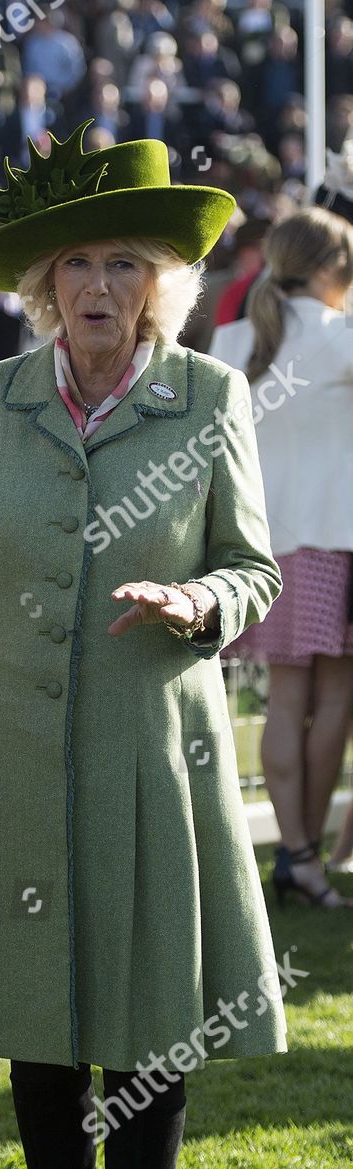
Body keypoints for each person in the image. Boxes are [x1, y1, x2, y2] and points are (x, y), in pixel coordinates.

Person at [0, 123, 287, 1169]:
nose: (94, 288)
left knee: (140, 1017)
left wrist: (205, 606)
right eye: (73, 265)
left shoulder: (209, 396)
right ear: (41, 286)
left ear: (162, 285)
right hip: (14, 744)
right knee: (36, 1012)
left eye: (122, 264)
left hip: (148, 748)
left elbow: (254, 566)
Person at [211, 208, 353, 903]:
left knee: (284, 703)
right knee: (333, 700)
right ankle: (304, 859)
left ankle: (297, 855)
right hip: (335, 540)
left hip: (260, 547)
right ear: (333, 268)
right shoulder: (342, 335)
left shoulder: (236, 339)